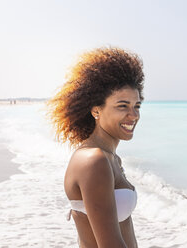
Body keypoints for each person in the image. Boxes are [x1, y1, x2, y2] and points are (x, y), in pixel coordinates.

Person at [47, 47, 144, 248]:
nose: (133, 115)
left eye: (137, 106)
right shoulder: (94, 160)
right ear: (96, 110)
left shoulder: (112, 159)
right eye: (122, 106)